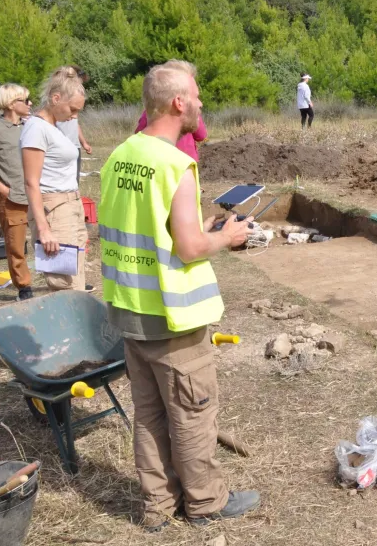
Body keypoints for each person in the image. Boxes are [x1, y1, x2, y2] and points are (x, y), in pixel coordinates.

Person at [99, 60, 259, 531]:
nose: (202, 102)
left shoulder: (122, 153)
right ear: (178, 102)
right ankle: (207, 502)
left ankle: (157, 508)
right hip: (172, 317)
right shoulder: (175, 164)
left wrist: (198, 229)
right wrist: (227, 238)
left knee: (148, 414)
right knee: (192, 412)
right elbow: (188, 248)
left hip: (129, 309)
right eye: (196, 94)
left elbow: (147, 227)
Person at [20, 66, 89, 292]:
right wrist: (44, 229)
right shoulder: (35, 129)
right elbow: (31, 182)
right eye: (72, 108)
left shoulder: (54, 127)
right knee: (65, 285)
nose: (74, 115)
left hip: (69, 206)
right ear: (55, 98)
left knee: (75, 279)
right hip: (54, 210)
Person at [0, 83, 34, 300]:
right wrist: (3, 189)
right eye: (25, 100)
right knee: (15, 245)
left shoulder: (30, 126)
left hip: (36, 194)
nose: (30, 104)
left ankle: (59, 279)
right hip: (11, 198)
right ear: (11, 104)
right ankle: (24, 287)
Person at [57, 66, 93, 184]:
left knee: (74, 181)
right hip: (61, 146)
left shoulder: (74, 102)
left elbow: (75, 123)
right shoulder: (62, 99)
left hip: (74, 145)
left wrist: (84, 143)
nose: (73, 115)